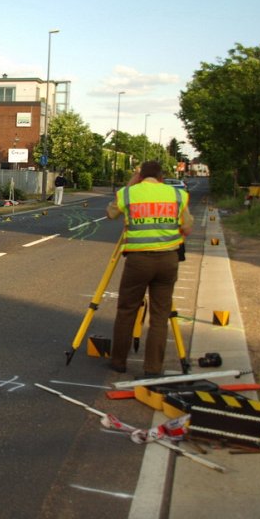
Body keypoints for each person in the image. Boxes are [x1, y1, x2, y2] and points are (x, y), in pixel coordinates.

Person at [106, 161, 193, 378]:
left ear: (140, 176)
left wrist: (131, 183)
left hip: (138, 260)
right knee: (159, 316)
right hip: (168, 260)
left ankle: (118, 362)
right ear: (162, 177)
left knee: (127, 310)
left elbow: (111, 214)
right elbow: (187, 227)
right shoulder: (177, 195)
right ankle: (153, 368)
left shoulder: (129, 193)